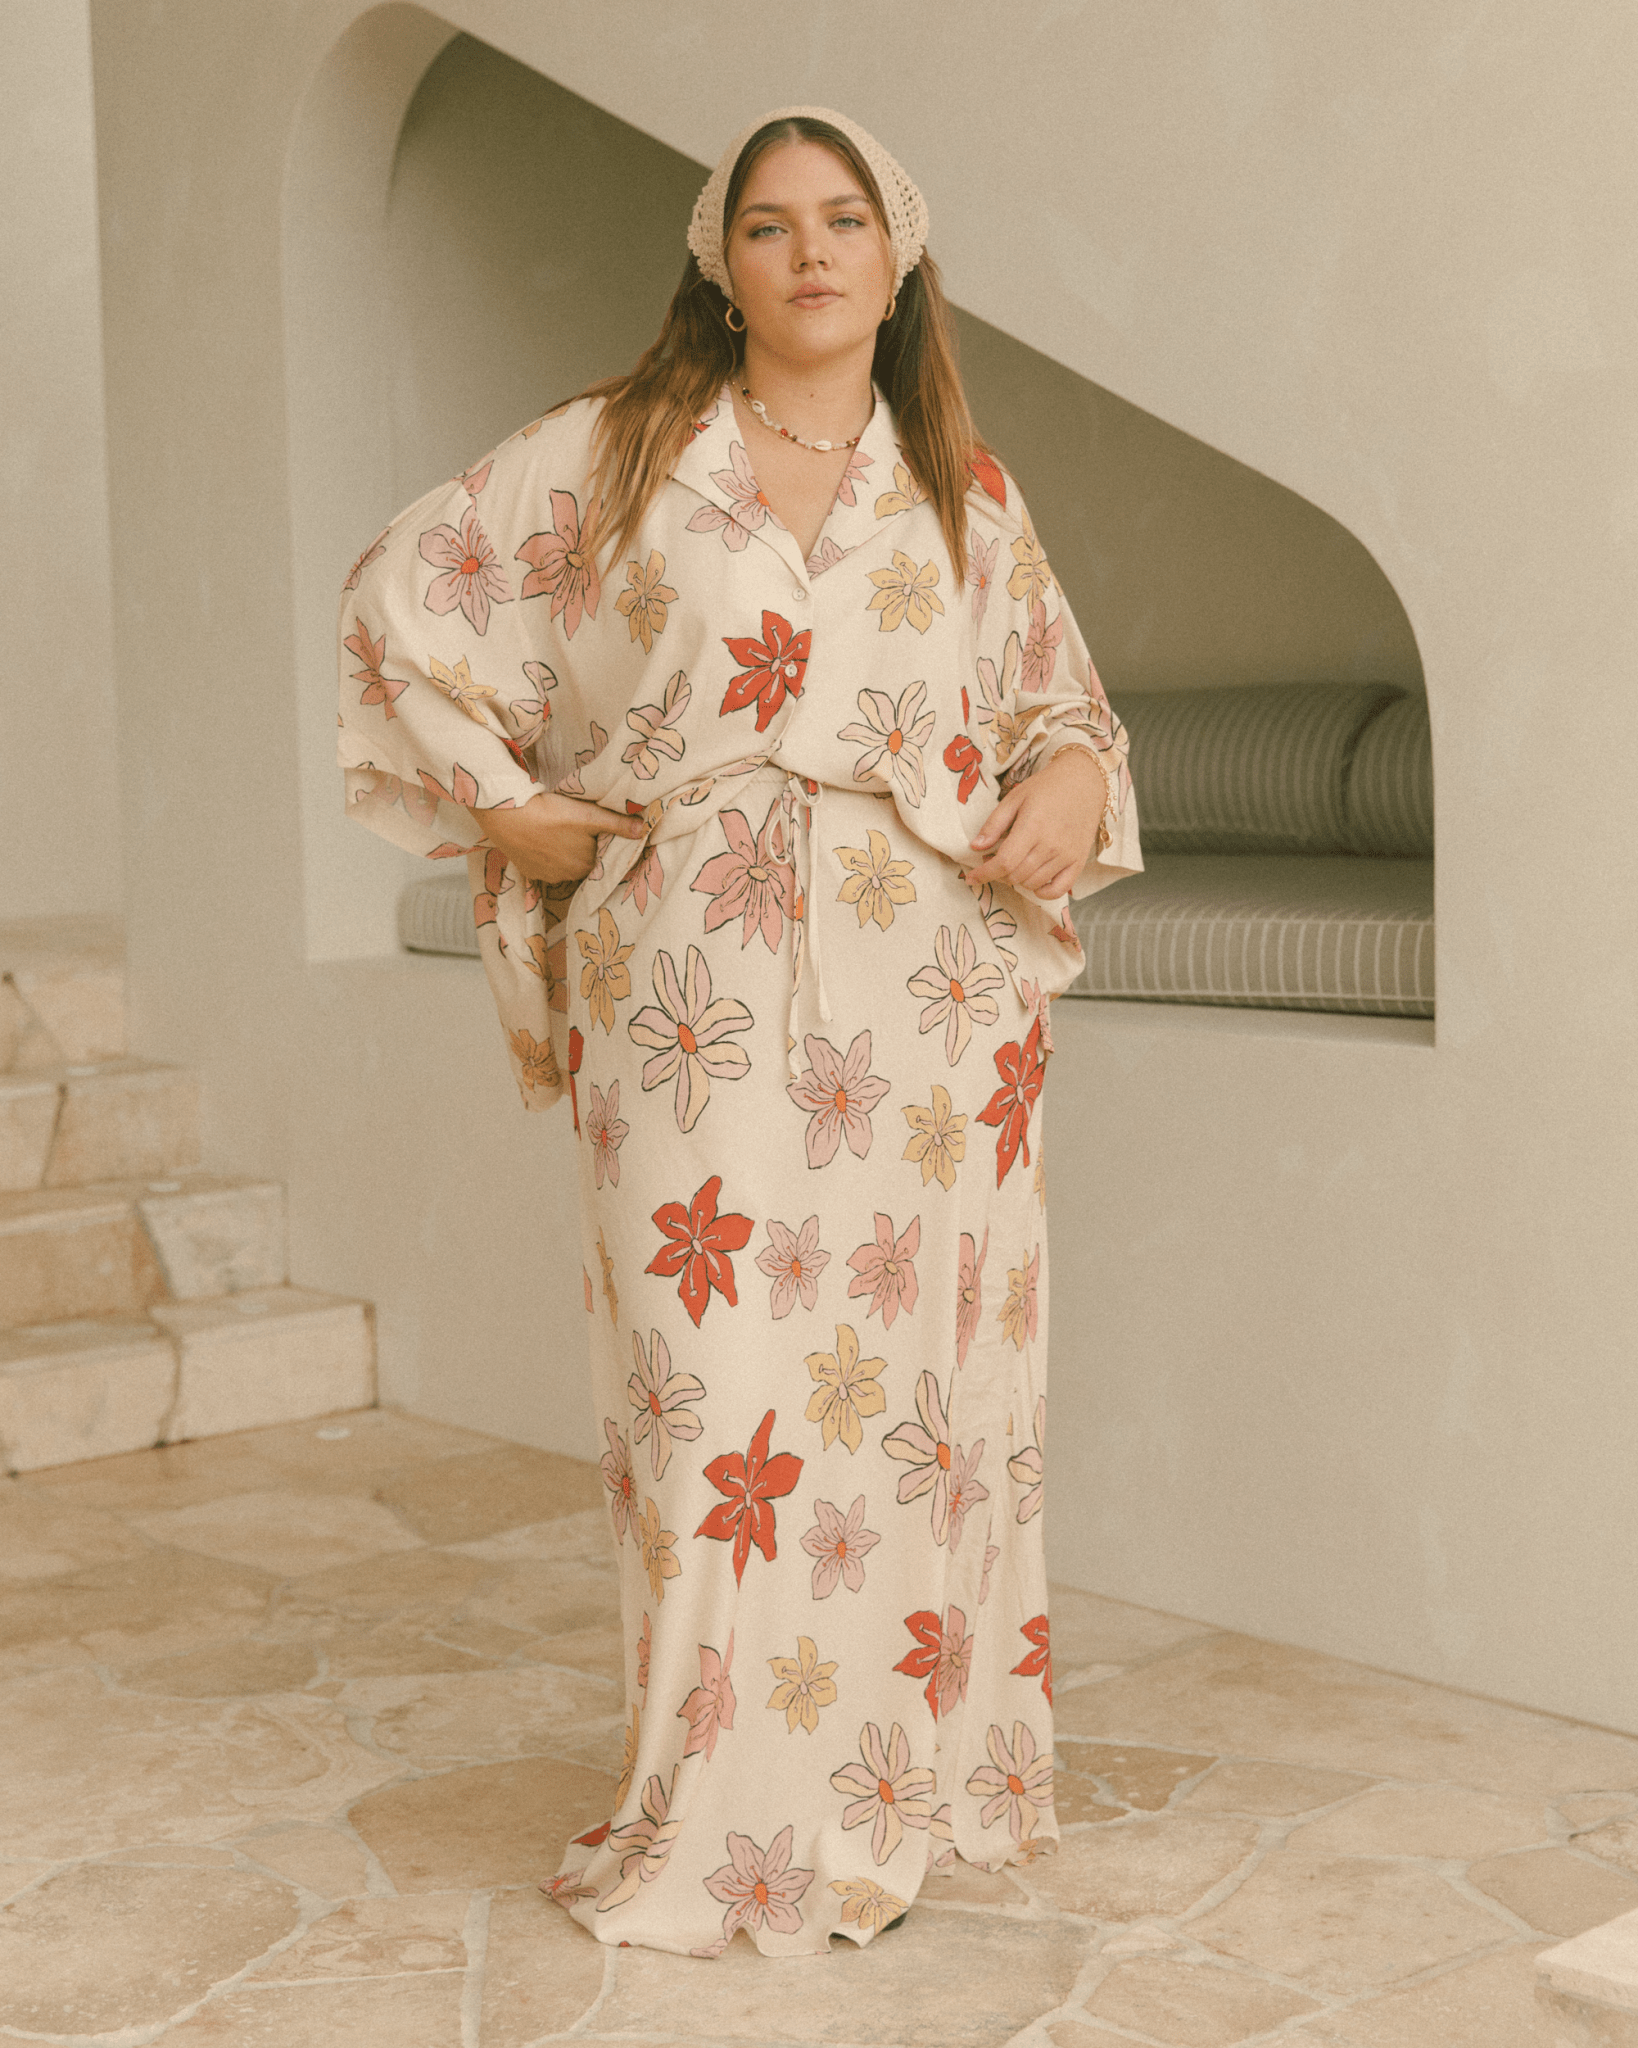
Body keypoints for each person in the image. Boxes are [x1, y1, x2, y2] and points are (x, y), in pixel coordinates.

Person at [336, 104, 1140, 1960]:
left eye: (844, 219)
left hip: (929, 1003)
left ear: (896, 256)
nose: (810, 252)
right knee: (712, 1401)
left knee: (915, 1401)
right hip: (690, 986)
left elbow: (1059, 708)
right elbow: (398, 603)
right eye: (770, 224)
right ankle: (727, 1817)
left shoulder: (960, 485)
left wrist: (1073, 780)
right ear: (722, 262)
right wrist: (505, 803)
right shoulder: (614, 449)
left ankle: (905, 1784)